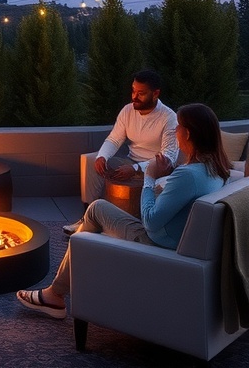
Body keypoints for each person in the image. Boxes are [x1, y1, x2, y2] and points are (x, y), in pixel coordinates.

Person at [16, 102, 231, 319]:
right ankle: (82, 257)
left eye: (178, 127)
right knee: (96, 210)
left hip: (158, 243)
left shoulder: (188, 176)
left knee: (94, 213)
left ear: (188, 133)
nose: (175, 131)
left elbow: (150, 221)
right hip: (178, 240)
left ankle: (56, 291)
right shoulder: (217, 169)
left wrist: (150, 177)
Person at [63, 68, 179, 235]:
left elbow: (168, 157)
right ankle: (88, 216)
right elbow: (114, 139)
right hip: (130, 161)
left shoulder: (169, 118)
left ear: (155, 94)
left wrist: (136, 169)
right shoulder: (128, 111)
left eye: (141, 93)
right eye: (133, 91)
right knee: (90, 160)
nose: (134, 97)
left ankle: (114, 223)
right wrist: (102, 156)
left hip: (155, 169)